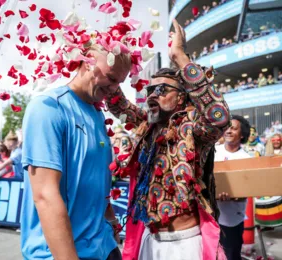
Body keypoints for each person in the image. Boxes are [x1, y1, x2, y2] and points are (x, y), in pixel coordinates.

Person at [107, 19, 230, 260]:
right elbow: (116, 102)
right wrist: (115, 55)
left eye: (163, 90)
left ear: (183, 99)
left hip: (184, 245)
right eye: (150, 91)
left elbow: (219, 116)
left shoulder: (194, 129)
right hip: (148, 240)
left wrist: (179, 56)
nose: (153, 95)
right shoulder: (146, 126)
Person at [20, 43, 131, 259]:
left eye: (120, 82)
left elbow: (97, 179)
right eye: (111, 77)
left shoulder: (98, 115)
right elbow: (45, 195)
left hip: (104, 247)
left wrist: (111, 221)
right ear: (88, 59)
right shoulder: (48, 108)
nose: (115, 88)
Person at [215, 115, 251, 260]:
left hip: (232, 220)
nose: (229, 131)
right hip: (211, 216)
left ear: (242, 135)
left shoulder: (247, 159)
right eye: (227, 127)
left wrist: (236, 194)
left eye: (234, 128)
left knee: (231, 255)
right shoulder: (213, 151)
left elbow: (251, 188)